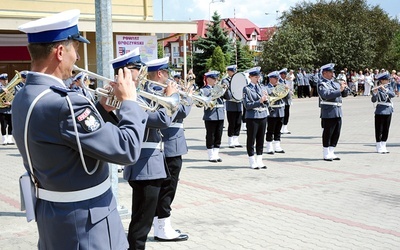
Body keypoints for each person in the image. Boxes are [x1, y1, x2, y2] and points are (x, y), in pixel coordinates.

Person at [13, 10, 149, 249]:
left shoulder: (23, 96)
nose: (76, 57)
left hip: (54, 216)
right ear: (60, 52)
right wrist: (129, 101)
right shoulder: (65, 103)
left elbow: (63, 135)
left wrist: (100, 108)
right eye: (75, 49)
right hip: (86, 223)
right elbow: (126, 150)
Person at [120, 56, 178, 250]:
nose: (142, 73)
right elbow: (162, 120)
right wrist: (169, 97)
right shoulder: (131, 98)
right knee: (141, 224)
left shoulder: (140, 95)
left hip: (149, 165)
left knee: (142, 220)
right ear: (125, 72)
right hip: (144, 167)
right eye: (137, 69)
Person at [153, 61, 191, 242]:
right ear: (160, 73)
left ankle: (160, 224)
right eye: (167, 73)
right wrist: (188, 98)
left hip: (170, 144)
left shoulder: (158, 89)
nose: (169, 77)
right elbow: (179, 112)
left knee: (164, 187)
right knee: (168, 187)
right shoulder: (156, 90)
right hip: (169, 145)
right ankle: (163, 227)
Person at [317, 63, 350, 161]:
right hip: (328, 111)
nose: (332, 74)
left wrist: (345, 89)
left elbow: (343, 95)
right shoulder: (321, 83)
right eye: (331, 72)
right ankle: (326, 152)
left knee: (336, 132)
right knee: (328, 132)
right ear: (325, 73)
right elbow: (326, 95)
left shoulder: (335, 83)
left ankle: (332, 151)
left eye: (333, 72)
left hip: (338, 111)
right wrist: (339, 90)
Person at [242, 67, 268, 169]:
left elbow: (267, 103)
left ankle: (259, 160)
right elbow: (247, 105)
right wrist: (259, 101)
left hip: (263, 115)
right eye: (255, 77)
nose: (258, 78)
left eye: (258, 76)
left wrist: (267, 99)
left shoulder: (262, 88)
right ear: (250, 77)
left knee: (261, 139)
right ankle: (252, 160)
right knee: (251, 139)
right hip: (252, 116)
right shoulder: (247, 89)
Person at [200, 70, 225, 162]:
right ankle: (211, 155)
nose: (216, 80)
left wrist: (226, 89)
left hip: (220, 114)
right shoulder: (204, 90)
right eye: (214, 79)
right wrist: (213, 94)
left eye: (217, 78)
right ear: (208, 79)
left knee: (219, 135)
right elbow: (201, 102)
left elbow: (229, 97)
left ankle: (216, 154)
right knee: (211, 135)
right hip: (210, 115)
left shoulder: (219, 88)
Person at [371, 72, 395, 153]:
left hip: (388, 110)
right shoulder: (377, 88)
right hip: (380, 111)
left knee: (386, 129)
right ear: (382, 81)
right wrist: (374, 93)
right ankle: (378, 146)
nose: (388, 81)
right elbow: (373, 100)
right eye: (386, 80)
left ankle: (384, 145)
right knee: (379, 129)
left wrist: (386, 90)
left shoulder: (389, 87)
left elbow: (393, 95)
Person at [265, 71, 286, 154]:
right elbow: (269, 96)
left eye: (278, 78)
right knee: (270, 129)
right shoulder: (266, 88)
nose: (277, 80)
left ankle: (277, 146)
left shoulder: (280, 86)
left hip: (280, 110)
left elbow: (286, 97)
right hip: (272, 111)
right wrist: (277, 89)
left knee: (278, 129)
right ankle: (269, 146)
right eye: (275, 78)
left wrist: (286, 90)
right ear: (270, 79)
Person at [222, 65, 243, 148]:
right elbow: (227, 93)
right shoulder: (225, 80)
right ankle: (230, 140)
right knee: (232, 123)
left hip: (239, 104)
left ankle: (236, 140)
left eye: (235, 71)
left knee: (238, 123)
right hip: (231, 104)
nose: (234, 73)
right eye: (232, 71)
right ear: (229, 72)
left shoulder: (238, 80)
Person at [278, 68, 292, 134]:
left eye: (285, 74)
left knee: (287, 114)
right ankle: (281, 128)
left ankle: (285, 128)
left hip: (287, 101)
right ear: (281, 75)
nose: (285, 75)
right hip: (283, 100)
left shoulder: (286, 81)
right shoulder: (279, 82)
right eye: (284, 74)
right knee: (282, 115)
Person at [0, 73, 13, 145]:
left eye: (6, 80)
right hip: (2, 110)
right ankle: (4, 139)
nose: (5, 81)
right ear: (0, 80)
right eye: (3, 80)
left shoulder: (12, 86)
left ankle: (10, 139)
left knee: (11, 125)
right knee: (3, 125)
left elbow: (15, 96)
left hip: (10, 109)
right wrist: (1, 90)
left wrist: (10, 103)